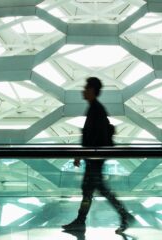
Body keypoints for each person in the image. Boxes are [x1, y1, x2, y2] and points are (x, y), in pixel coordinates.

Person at [62, 77, 133, 234]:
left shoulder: (96, 110)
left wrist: (83, 154)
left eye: (86, 87)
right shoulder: (95, 108)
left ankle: (122, 216)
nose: (83, 90)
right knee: (93, 190)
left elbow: (95, 137)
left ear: (92, 90)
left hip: (94, 159)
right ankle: (84, 220)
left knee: (94, 190)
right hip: (93, 159)